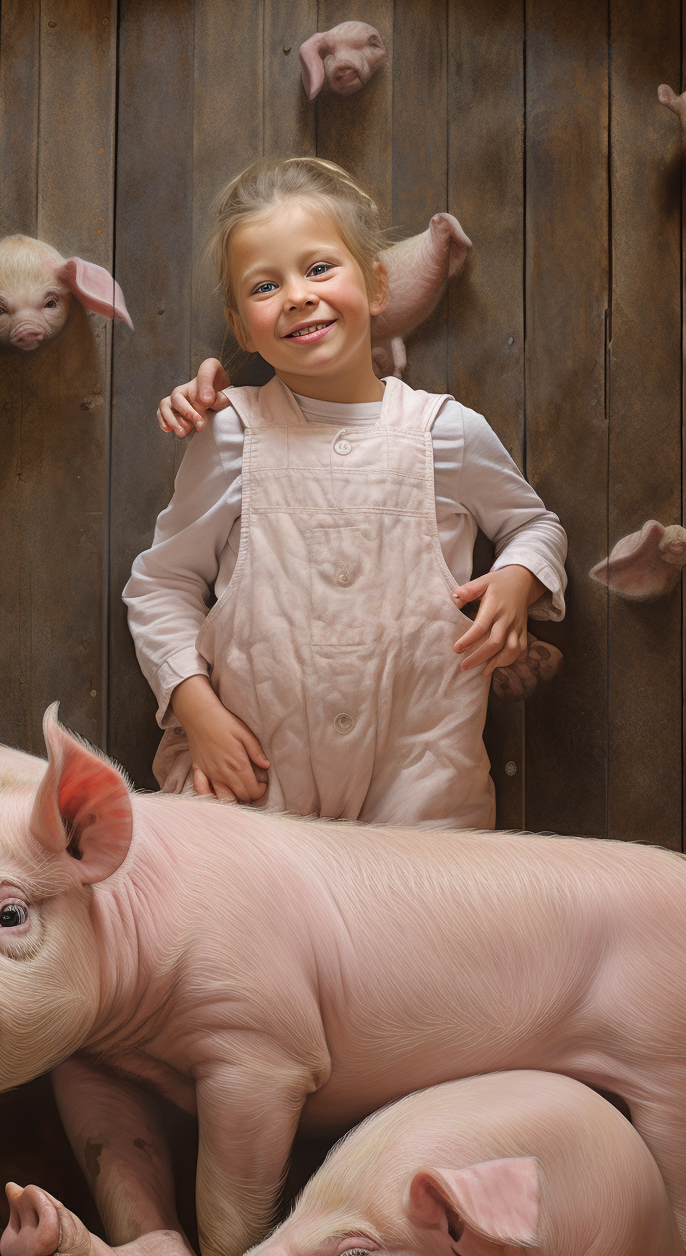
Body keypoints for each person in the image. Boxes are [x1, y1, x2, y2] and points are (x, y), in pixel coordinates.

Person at [124, 157, 566, 829]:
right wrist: (195, 708)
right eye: (266, 285)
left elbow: (534, 524)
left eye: (320, 268)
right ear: (242, 325)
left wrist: (518, 578)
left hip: (422, 789)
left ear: (378, 283)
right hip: (252, 787)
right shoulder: (231, 435)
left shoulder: (445, 432)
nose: (299, 295)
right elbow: (162, 585)